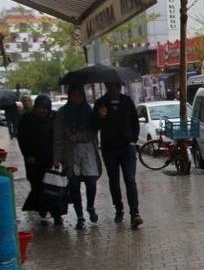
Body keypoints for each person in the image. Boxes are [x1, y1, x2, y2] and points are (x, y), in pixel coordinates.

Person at [94, 82, 143, 228]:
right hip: (109, 149)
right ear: (107, 87)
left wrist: (133, 139)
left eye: (117, 86)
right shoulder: (100, 103)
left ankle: (135, 213)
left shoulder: (127, 101)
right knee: (114, 180)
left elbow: (135, 122)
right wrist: (99, 116)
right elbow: (94, 126)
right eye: (111, 86)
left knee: (130, 179)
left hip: (127, 148)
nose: (114, 89)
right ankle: (118, 208)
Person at [54, 86, 100, 229]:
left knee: (91, 182)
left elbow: (94, 131)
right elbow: (58, 136)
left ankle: (90, 206)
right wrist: (57, 156)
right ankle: (80, 216)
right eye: (73, 95)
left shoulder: (89, 111)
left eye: (79, 95)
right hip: (70, 153)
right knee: (73, 185)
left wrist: (78, 136)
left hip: (88, 151)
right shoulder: (63, 113)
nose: (76, 98)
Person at [18, 95, 63, 225]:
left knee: (52, 187)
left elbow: (58, 137)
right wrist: (28, 155)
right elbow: (22, 138)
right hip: (34, 160)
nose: (42, 111)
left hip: (50, 159)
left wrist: (58, 156)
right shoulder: (27, 118)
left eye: (45, 108)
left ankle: (56, 214)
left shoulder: (54, 118)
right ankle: (41, 208)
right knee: (37, 186)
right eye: (39, 108)